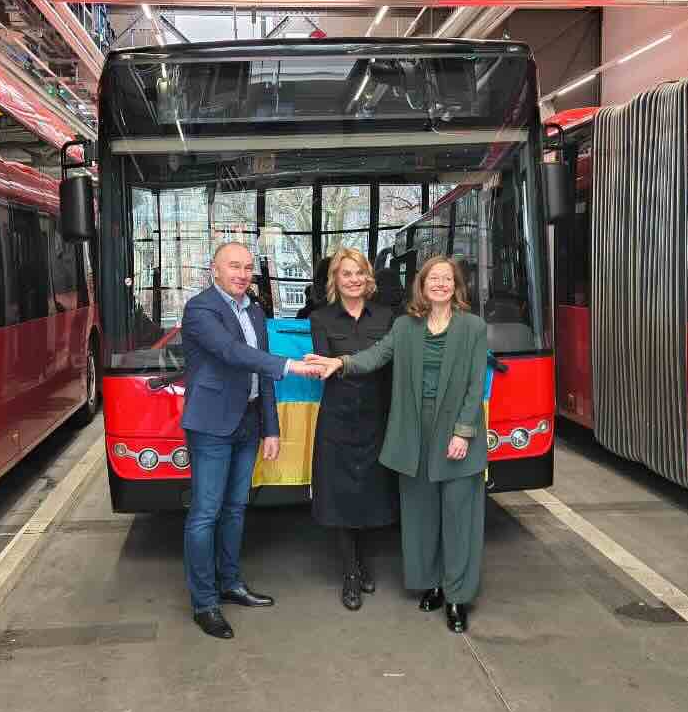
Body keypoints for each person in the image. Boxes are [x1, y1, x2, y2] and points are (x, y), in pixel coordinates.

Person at [307, 255, 488, 633]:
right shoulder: (405, 326)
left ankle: (457, 596)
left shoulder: (473, 327)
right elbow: (376, 355)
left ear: (456, 286)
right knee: (421, 515)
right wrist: (341, 363)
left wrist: (463, 432)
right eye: (433, 278)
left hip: (455, 432)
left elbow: (475, 385)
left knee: (459, 517)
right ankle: (431, 584)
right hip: (414, 432)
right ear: (421, 285)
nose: (440, 284)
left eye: (447, 279)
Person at [181, 242, 323, 640]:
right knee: (205, 514)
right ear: (214, 270)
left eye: (247, 267)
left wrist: (271, 428)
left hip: (247, 422)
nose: (242, 274)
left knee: (235, 509)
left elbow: (261, 377)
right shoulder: (200, 309)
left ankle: (230, 583)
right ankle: (205, 602)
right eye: (234, 266)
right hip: (211, 424)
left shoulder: (255, 311)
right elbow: (232, 353)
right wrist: (290, 365)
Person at [308, 248, 400, 610]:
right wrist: (356, 364)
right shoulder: (320, 318)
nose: (354, 279)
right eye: (346, 273)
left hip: (377, 418)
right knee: (342, 497)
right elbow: (327, 368)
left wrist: (347, 363)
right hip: (339, 419)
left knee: (371, 495)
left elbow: (390, 365)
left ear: (368, 277)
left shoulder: (388, 316)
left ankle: (364, 565)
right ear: (335, 279)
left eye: (359, 272)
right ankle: (350, 573)